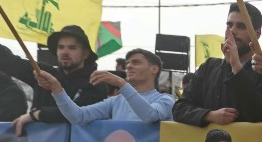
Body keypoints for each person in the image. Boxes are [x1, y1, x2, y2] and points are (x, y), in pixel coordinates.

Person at [0, 0, 106, 133]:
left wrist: (35, 115)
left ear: (85, 54)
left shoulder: (96, 82)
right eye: (61, 47)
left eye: (72, 48)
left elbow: (76, 114)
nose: (65, 52)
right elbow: (5, 60)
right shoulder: (42, 74)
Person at [174, 3, 262, 126]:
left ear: (257, 34)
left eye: (241, 26)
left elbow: (261, 115)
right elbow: (179, 109)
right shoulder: (209, 67)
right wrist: (209, 115)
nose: (232, 30)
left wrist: (237, 68)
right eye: (229, 25)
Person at [35, 48, 172, 124]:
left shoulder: (166, 100)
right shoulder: (116, 101)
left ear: (154, 69)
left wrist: (121, 83)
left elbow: (150, 116)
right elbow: (78, 116)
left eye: (136, 62)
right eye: (128, 63)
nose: (129, 66)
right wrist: (57, 89)